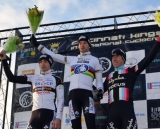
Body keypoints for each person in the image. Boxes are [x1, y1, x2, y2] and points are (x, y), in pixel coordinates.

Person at [30, 35, 104, 129]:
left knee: (90, 124)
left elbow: (99, 80)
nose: (82, 45)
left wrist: (100, 89)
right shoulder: (72, 59)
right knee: (75, 126)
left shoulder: (95, 60)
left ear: (89, 45)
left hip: (87, 94)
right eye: (80, 43)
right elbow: (53, 56)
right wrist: (37, 44)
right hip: (73, 95)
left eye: (85, 43)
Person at [103, 36, 160, 129]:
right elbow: (98, 93)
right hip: (112, 111)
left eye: (117, 56)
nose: (114, 58)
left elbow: (147, 60)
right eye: (112, 56)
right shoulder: (109, 76)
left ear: (123, 59)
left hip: (127, 109)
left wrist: (158, 42)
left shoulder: (130, 71)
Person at [0, 50, 64, 129]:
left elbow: (61, 99)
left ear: (50, 64)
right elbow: (11, 78)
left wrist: (58, 118)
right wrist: (3, 60)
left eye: (45, 61)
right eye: (40, 62)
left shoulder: (57, 79)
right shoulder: (33, 78)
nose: (42, 64)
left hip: (50, 114)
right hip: (35, 115)